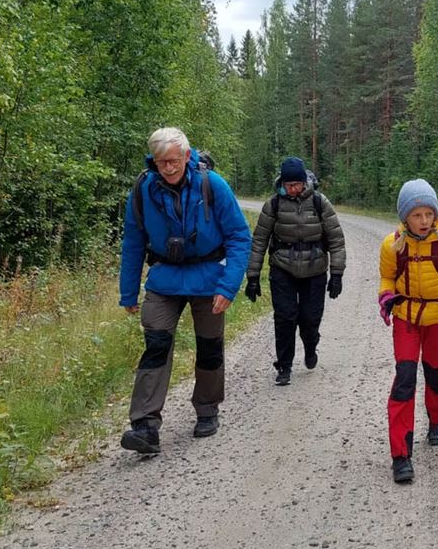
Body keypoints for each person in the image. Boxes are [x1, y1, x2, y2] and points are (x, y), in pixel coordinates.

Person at [118, 127, 252, 454]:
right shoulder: (143, 190)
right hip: (164, 278)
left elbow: (239, 236)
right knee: (156, 344)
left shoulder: (212, 185)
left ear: (187, 156)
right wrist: (128, 291)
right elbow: (133, 242)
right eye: (161, 162)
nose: (168, 168)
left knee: (209, 346)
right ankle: (145, 425)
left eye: (174, 161)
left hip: (208, 278)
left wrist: (228, 286)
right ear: (154, 161)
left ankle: (207, 409)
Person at [378, 179, 438, 483]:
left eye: (429, 214)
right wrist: (386, 296)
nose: (424, 221)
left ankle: (437, 420)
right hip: (406, 318)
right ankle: (400, 456)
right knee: (404, 379)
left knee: (437, 375)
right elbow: (387, 278)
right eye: (416, 215)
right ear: (405, 217)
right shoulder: (392, 246)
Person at [244, 157, 346, 386]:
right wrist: (253, 276)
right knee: (284, 318)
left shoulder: (320, 202)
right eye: (288, 185)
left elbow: (336, 240)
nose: (292, 189)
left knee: (310, 319)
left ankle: (311, 346)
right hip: (283, 268)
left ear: (304, 182)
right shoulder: (273, 205)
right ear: (282, 183)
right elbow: (259, 241)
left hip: (315, 269)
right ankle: (284, 366)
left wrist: (337, 274)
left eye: (296, 184)